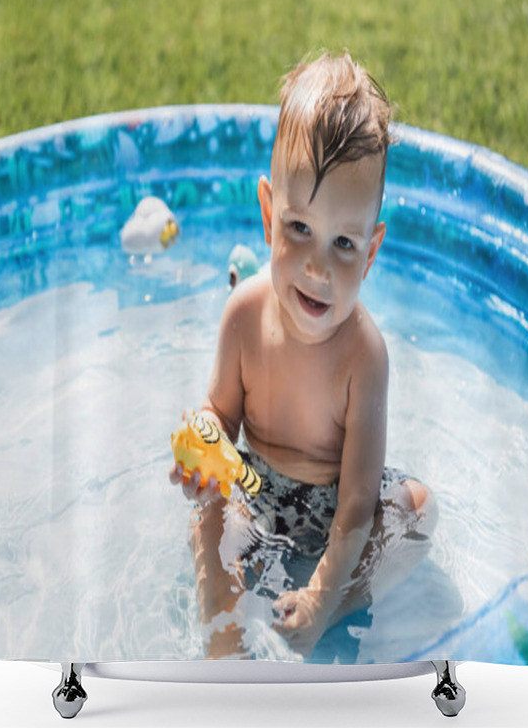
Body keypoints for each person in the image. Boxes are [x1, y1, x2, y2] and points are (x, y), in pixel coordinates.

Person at [169, 50, 438, 658]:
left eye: (343, 243)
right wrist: (203, 450)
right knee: (210, 500)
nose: (318, 268)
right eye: (299, 230)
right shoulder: (243, 313)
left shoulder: (364, 357)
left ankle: (329, 610)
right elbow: (218, 413)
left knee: (416, 511)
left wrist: (321, 590)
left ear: (370, 254)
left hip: (331, 510)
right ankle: (223, 617)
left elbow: (357, 505)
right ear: (268, 216)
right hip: (253, 492)